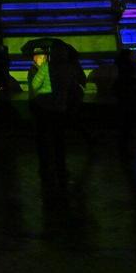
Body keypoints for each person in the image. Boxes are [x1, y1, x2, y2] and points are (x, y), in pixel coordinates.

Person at [26, 41, 86, 192]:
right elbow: (75, 88)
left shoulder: (46, 67)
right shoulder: (69, 69)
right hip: (59, 108)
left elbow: (34, 86)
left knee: (42, 138)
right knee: (58, 140)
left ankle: (45, 166)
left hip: (42, 107)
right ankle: (60, 167)